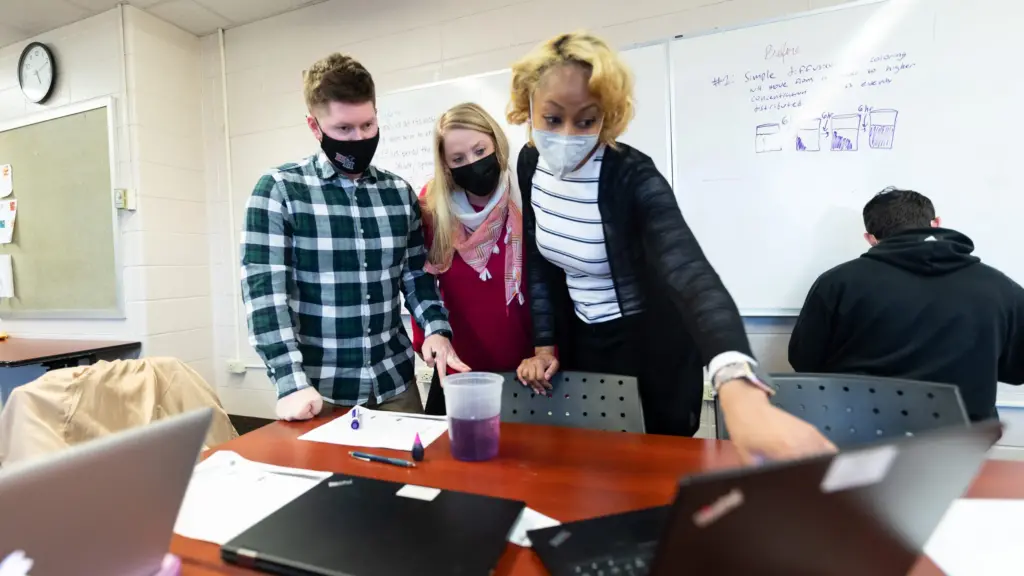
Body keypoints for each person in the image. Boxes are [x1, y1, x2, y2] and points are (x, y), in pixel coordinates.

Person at [507, 31, 834, 463]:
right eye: (551, 119)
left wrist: (739, 386)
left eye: (586, 120)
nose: (567, 135)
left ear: (609, 116)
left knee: (654, 467)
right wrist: (545, 345)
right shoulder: (530, 163)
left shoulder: (633, 177)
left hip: (649, 347)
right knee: (592, 463)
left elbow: (690, 274)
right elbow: (541, 262)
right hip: (583, 338)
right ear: (528, 107)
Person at [241, 53, 467, 421]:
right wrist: (289, 382)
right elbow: (265, 298)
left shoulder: (398, 192)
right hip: (318, 392)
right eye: (344, 129)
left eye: (368, 125)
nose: (359, 138)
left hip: (394, 385)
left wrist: (436, 330)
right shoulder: (280, 190)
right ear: (315, 127)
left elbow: (415, 276)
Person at [789, 187, 1024, 422]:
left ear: (870, 238)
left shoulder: (836, 283)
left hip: (862, 431)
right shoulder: (1002, 288)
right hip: (963, 439)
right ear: (937, 223)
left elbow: (804, 362)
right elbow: (1016, 371)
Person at [410, 103, 533, 415]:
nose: (474, 164)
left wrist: (549, 349)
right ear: (446, 165)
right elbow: (418, 277)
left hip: (528, 371)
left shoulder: (524, 193)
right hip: (458, 374)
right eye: (458, 159)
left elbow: (551, 281)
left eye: (480, 150)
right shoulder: (433, 205)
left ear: (496, 142)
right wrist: (429, 338)